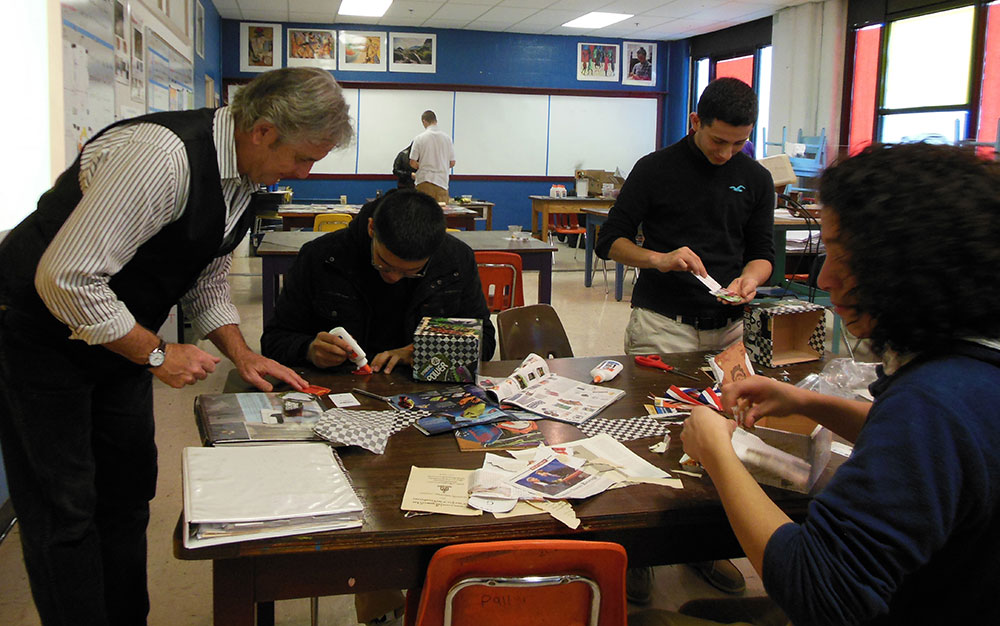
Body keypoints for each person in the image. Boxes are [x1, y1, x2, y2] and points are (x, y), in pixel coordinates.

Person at [0, 66, 352, 624]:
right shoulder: (159, 158)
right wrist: (158, 354)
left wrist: (244, 353)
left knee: (127, 493)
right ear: (261, 131)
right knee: (65, 509)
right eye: (303, 158)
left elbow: (204, 278)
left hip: (115, 340)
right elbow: (66, 278)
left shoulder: (241, 180)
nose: (305, 173)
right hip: (38, 337)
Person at [635, 142, 1000, 626]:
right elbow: (928, 446)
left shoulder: (932, 401)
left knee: (647, 620)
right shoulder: (969, 373)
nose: (824, 278)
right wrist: (804, 399)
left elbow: (818, 591)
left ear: (906, 268)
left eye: (842, 258)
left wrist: (717, 453)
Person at [595, 76, 773, 599]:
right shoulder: (656, 169)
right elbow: (611, 242)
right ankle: (635, 550)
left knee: (720, 442)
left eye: (739, 143)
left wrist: (752, 279)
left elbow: (761, 250)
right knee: (648, 436)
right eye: (719, 140)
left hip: (729, 330)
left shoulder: (755, 177)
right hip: (662, 325)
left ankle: (701, 546)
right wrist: (660, 259)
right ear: (695, 121)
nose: (727, 152)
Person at [261, 188, 495, 375]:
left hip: (422, 394)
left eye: (411, 272)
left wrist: (425, 351)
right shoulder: (322, 257)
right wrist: (309, 350)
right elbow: (274, 340)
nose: (393, 277)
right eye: (383, 263)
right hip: (340, 388)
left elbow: (484, 342)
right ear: (372, 228)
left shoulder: (455, 260)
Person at [409, 110, 455, 203]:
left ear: (424, 121)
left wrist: (422, 165)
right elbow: (452, 163)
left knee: (423, 213)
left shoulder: (419, 138)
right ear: (436, 121)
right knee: (440, 214)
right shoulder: (447, 139)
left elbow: (412, 163)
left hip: (424, 181)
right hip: (442, 183)